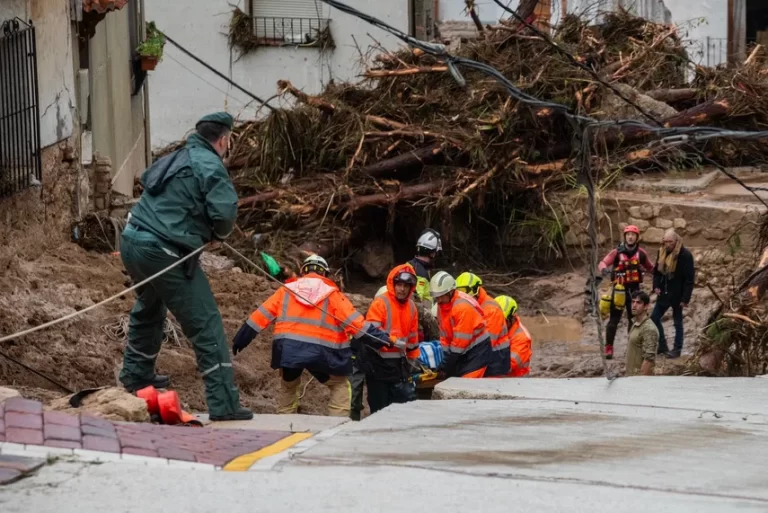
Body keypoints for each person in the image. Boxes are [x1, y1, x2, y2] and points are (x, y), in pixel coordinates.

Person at [119, 111, 251, 421]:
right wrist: (217, 234)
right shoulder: (212, 166)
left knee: (149, 306)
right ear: (223, 140)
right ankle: (224, 404)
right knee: (206, 323)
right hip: (163, 250)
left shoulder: (178, 156)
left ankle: (137, 376)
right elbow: (225, 213)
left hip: (131, 240)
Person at [231, 255, 391, 417]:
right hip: (324, 354)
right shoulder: (332, 294)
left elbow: (261, 315)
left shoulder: (286, 290)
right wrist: (382, 340)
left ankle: (286, 425)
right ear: (325, 274)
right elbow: (356, 325)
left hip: (289, 351)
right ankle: (337, 427)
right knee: (340, 386)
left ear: (303, 271)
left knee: (289, 387)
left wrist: (242, 338)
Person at [360, 265, 420, 414]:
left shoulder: (412, 307)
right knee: (379, 409)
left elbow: (413, 338)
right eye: (399, 284)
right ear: (393, 284)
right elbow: (371, 333)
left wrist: (413, 362)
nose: (402, 289)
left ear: (411, 288)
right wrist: (390, 340)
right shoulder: (381, 303)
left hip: (399, 366)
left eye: (406, 286)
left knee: (400, 410)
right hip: (378, 364)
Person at [597, 225, 654, 360]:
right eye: (628, 234)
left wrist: (662, 271)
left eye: (633, 235)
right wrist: (605, 270)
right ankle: (609, 347)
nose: (630, 237)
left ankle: (631, 347)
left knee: (632, 320)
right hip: (619, 291)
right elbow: (602, 263)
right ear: (625, 237)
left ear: (637, 237)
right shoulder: (616, 252)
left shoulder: (641, 253)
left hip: (634, 291)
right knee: (614, 320)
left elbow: (651, 268)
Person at [430, 271, 494, 379]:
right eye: (437, 296)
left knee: (467, 384)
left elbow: (460, 343)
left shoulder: (462, 307)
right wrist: (445, 362)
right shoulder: (442, 307)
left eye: (441, 296)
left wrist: (446, 365)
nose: (439, 300)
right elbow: (445, 337)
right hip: (463, 351)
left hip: (478, 351)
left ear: (450, 292)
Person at [455, 272, 510, 376]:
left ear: (476, 292)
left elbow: (488, 343)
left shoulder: (491, 310)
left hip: (495, 361)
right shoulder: (469, 307)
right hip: (481, 355)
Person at [651, 229, 695, 359]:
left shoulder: (685, 255)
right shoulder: (661, 252)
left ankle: (677, 349)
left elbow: (689, 279)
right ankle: (662, 345)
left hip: (678, 294)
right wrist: (656, 286)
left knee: (678, 323)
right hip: (664, 293)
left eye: (670, 242)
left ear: (676, 241)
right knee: (654, 318)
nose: (667, 244)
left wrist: (685, 298)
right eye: (665, 242)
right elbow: (657, 273)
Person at [495, 295, 533, 377]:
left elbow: (508, 365)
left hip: (516, 384)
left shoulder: (522, 338)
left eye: (502, 320)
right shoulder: (495, 327)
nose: (498, 323)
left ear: (512, 318)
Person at [626, 291, 659, 376]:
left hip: (639, 383)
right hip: (630, 379)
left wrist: (640, 383)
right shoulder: (636, 323)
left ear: (646, 306)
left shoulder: (649, 328)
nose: (634, 305)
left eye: (638, 302)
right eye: (633, 302)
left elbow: (649, 360)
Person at [408, 228, 442, 303]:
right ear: (432, 253)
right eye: (436, 253)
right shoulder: (421, 274)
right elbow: (417, 301)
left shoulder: (409, 264)